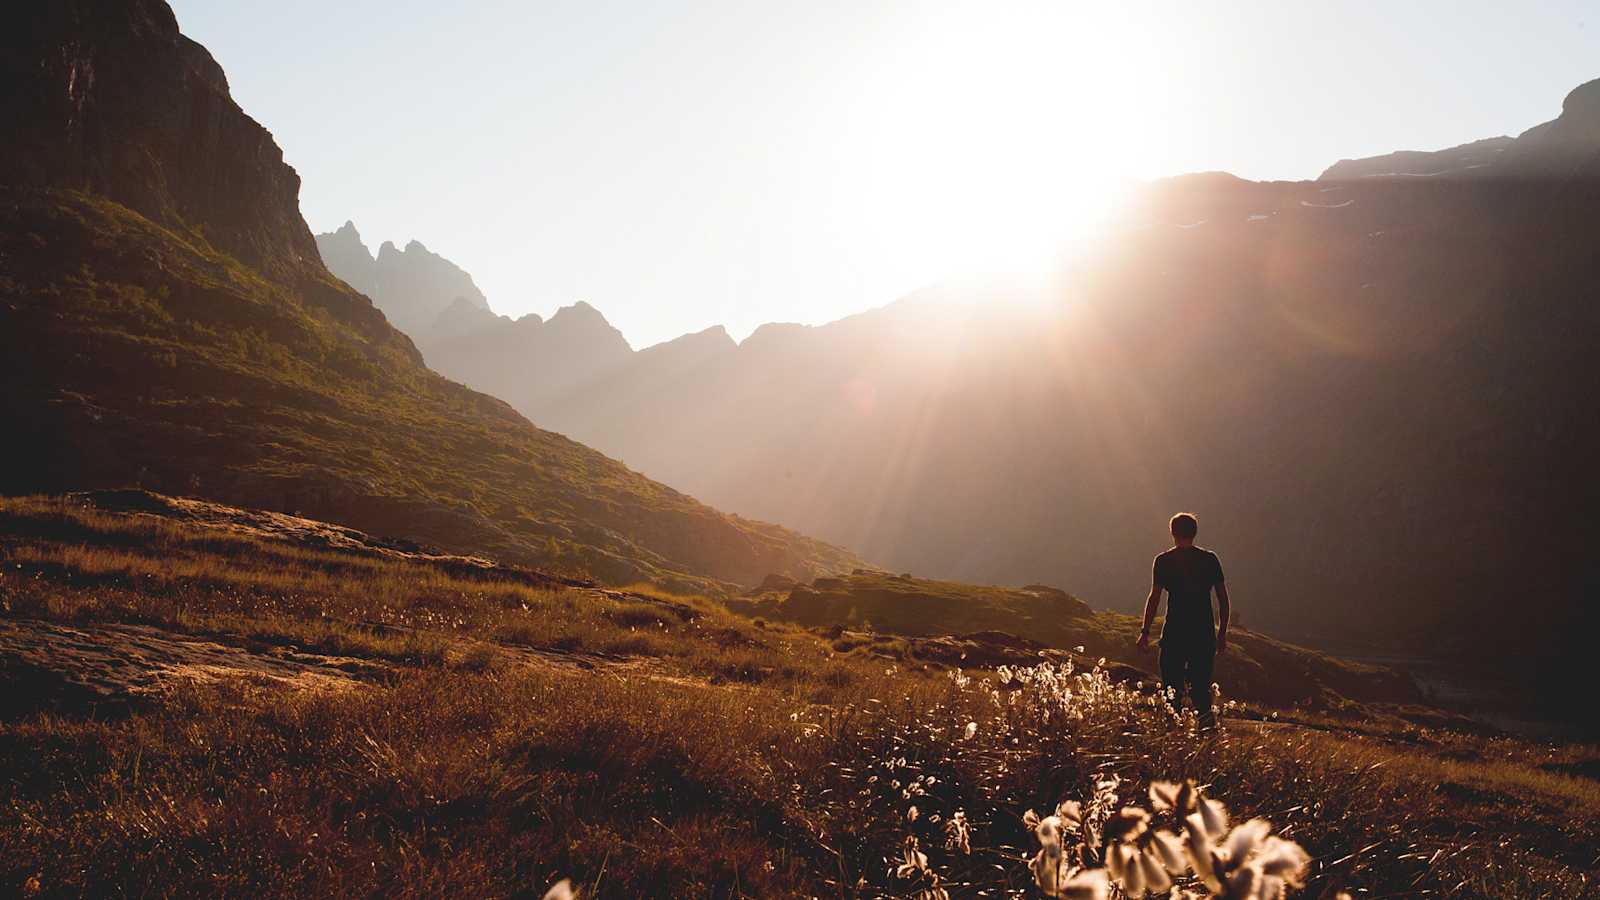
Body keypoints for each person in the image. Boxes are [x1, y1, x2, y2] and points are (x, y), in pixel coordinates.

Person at [1136, 512, 1230, 727]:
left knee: (1172, 692)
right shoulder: (1209, 559)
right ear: (1195, 532)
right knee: (1201, 692)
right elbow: (1223, 600)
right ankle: (1208, 744)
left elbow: (1155, 598)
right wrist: (1222, 634)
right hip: (1203, 634)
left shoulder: (1163, 561)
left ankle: (1172, 741)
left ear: (1172, 533)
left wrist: (1144, 632)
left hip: (1174, 634)